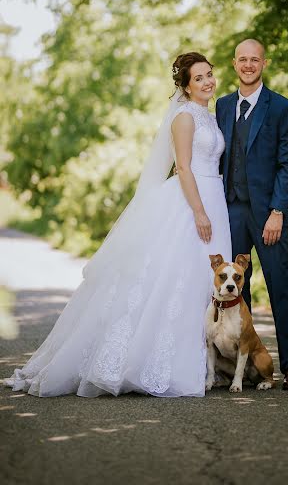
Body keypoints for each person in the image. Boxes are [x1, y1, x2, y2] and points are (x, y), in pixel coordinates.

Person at [5, 52, 232, 398]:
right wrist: (200, 212)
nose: (207, 82)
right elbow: (183, 169)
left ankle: (203, 364)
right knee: (174, 281)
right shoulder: (184, 118)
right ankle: (158, 363)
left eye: (209, 75)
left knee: (202, 282)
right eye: (199, 78)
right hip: (192, 203)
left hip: (215, 198)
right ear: (185, 86)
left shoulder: (209, 116)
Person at [216, 39, 288, 390]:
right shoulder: (221, 106)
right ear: (234, 64)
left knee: (280, 285)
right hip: (231, 210)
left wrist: (278, 210)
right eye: (242, 60)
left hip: (269, 214)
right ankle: (247, 365)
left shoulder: (282, 108)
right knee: (237, 291)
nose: (248, 65)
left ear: (263, 63)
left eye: (255, 59)